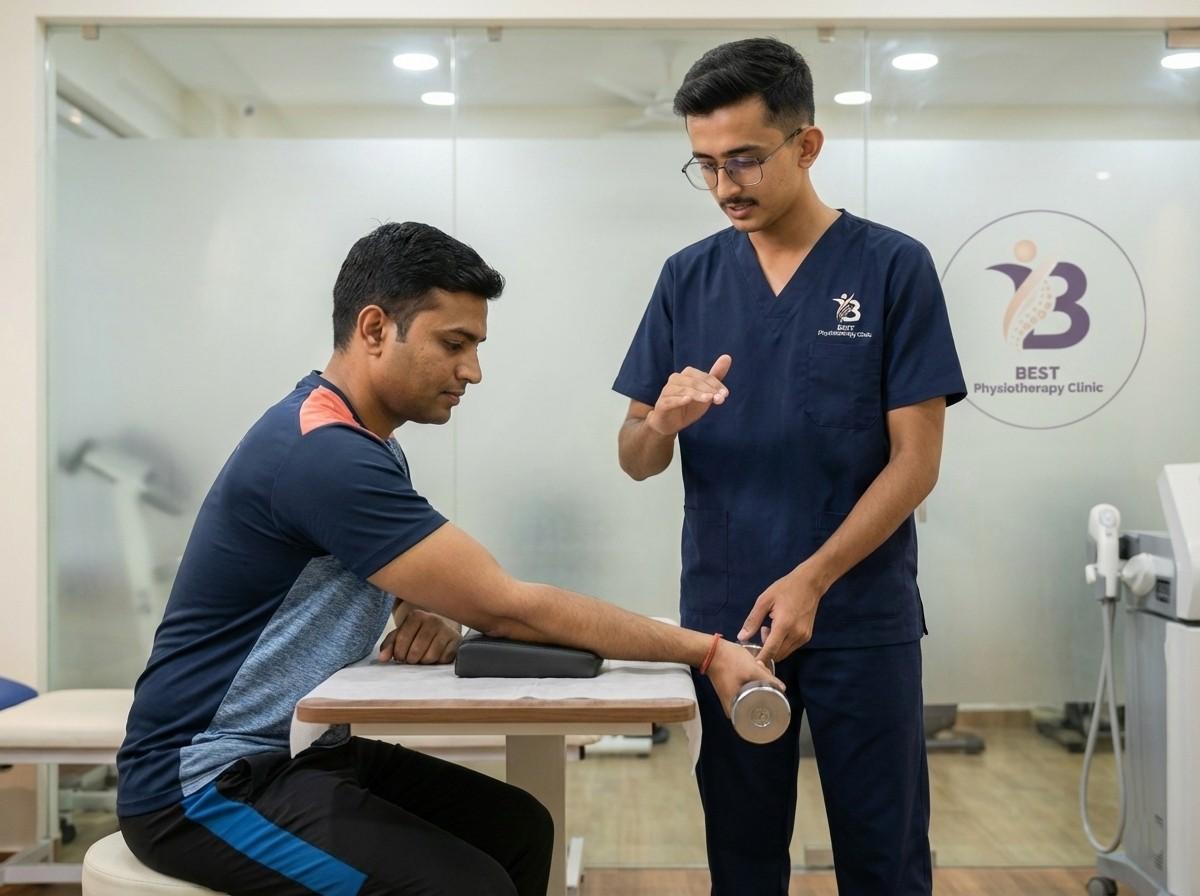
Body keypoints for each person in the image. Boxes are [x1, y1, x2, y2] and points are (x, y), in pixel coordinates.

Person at [116, 221, 780, 896]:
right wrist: (707, 651)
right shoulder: (325, 453)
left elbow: (363, 564)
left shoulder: (362, 441)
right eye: (453, 344)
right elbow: (506, 604)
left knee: (520, 827)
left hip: (300, 753)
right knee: (466, 887)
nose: (473, 370)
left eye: (476, 346)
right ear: (375, 328)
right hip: (202, 786)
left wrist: (419, 602)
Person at [613, 38, 967, 896]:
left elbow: (915, 465)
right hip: (726, 625)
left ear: (806, 145)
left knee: (883, 860)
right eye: (704, 165)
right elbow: (634, 458)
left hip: (861, 620)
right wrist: (662, 421)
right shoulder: (686, 280)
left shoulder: (891, 268)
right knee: (741, 859)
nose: (726, 186)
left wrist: (812, 578)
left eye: (744, 160)